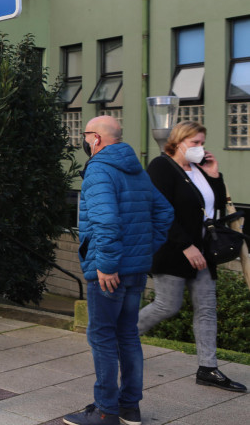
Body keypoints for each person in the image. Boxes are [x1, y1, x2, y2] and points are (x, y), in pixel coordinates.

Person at [63, 116, 173, 425]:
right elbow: (165, 212)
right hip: (135, 269)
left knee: (102, 338)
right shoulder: (136, 169)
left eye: (85, 135)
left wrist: (108, 265)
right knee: (127, 336)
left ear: (96, 138)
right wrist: (142, 249)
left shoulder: (99, 169)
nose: (84, 141)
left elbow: (106, 222)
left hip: (109, 271)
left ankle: (105, 410)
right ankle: (129, 408)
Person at [137, 121, 247, 393]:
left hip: (204, 250)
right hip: (174, 250)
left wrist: (214, 175)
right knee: (167, 306)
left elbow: (217, 209)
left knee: (207, 308)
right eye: (195, 142)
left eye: (202, 142)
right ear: (178, 141)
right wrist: (186, 245)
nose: (200, 148)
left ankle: (208, 368)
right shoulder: (160, 167)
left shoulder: (199, 169)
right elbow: (160, 212)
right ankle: (122, 339)